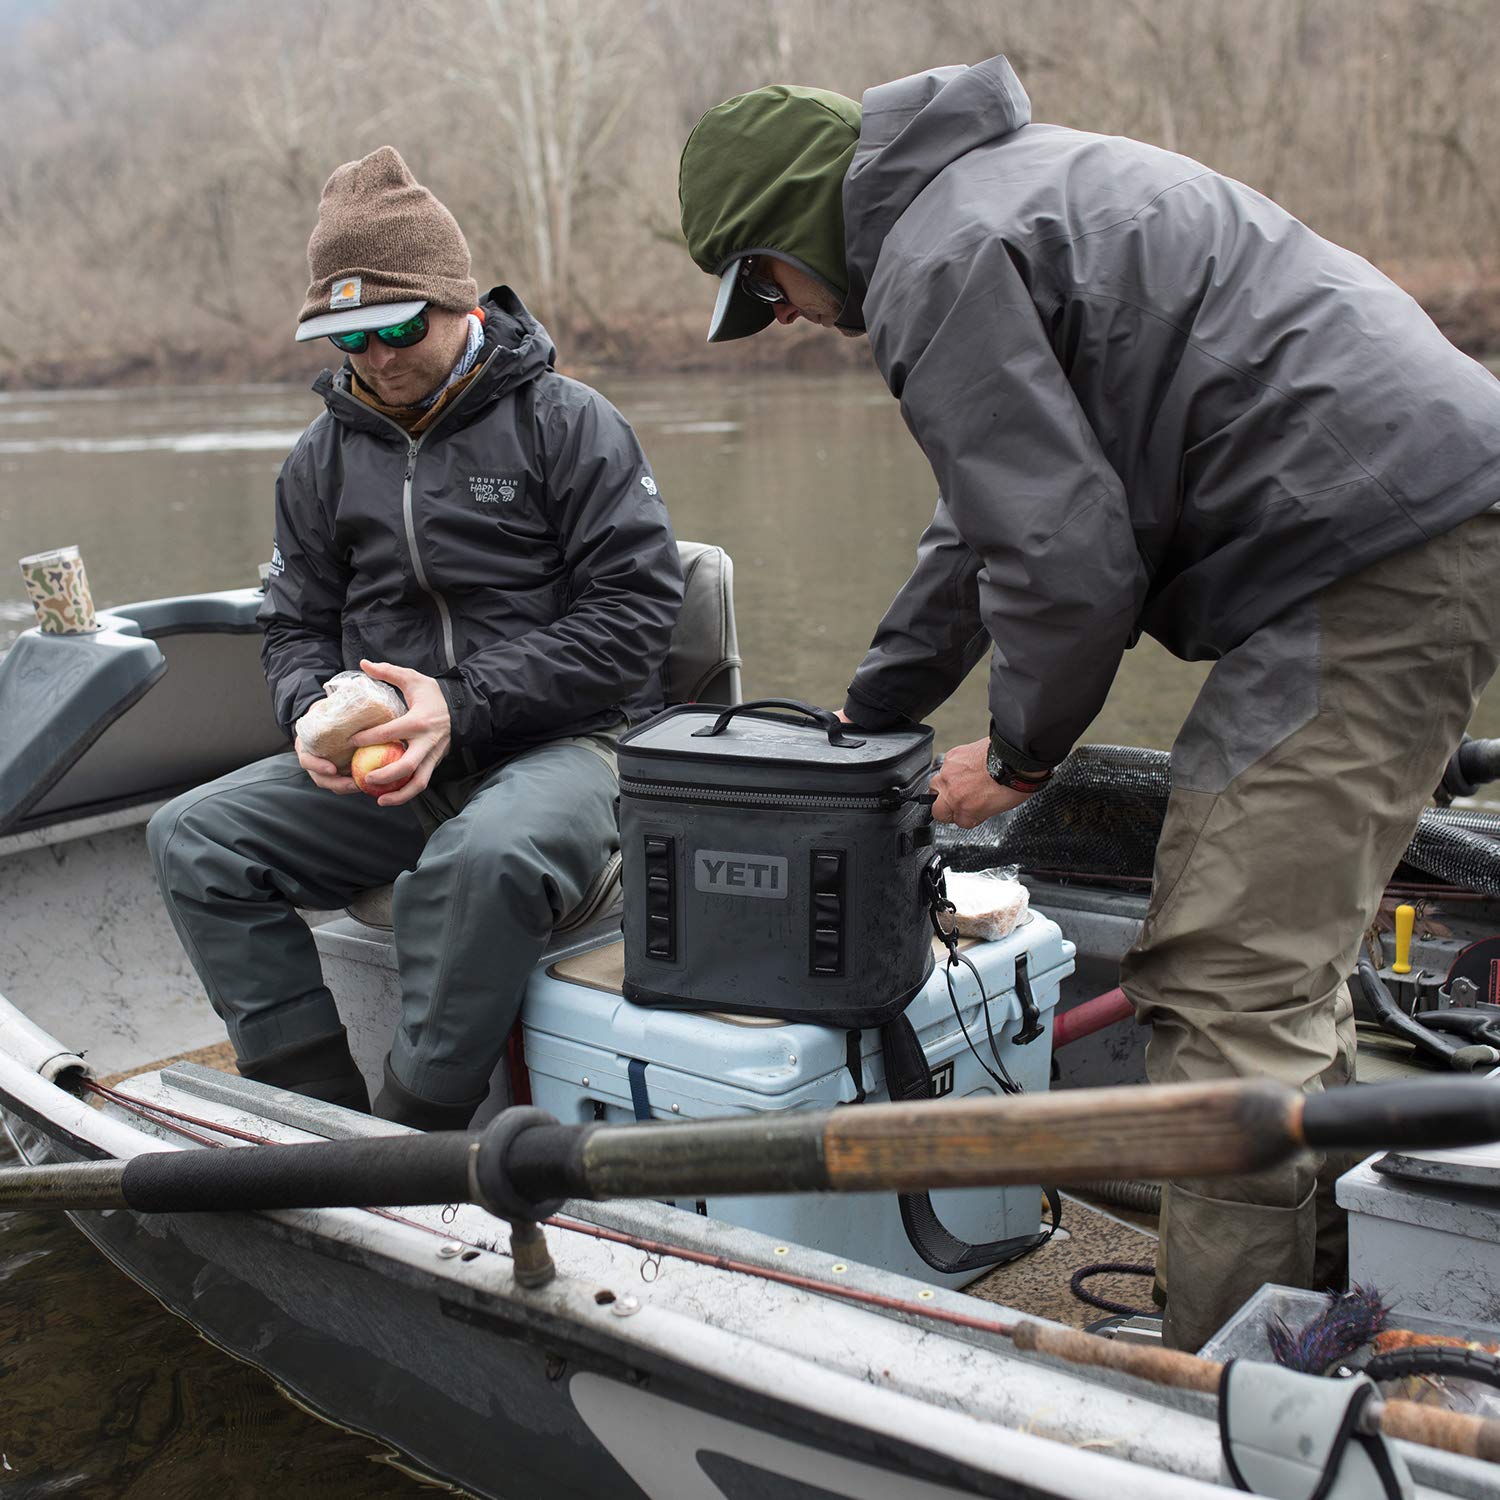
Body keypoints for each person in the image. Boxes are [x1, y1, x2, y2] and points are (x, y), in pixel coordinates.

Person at [677, 58, 1500, 1349]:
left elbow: (1065, 561)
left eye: (763, 285)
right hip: (1400, 525)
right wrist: (872, 714)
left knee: (1225, 980)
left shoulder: (938, 260)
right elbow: (982, 531)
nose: (777, 314)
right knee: (1270, 967)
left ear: (794, 229)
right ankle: (1334, 1303)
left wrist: (1017, 753)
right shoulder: (994, 198)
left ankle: (1222, 1385)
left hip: (1372, 553)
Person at [149, 147, 682, 1131]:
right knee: (194, 837)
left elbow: (637, 617)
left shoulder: (566, 425)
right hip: (395, 762)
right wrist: (312, 711)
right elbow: (295, 626)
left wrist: (462, 702)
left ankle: (407, 1134)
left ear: (462, 302)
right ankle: (313, 1117)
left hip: (574, 745)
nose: (380, 356)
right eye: (350, 335)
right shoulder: (318, 460)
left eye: (400, 325)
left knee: (481, 862)